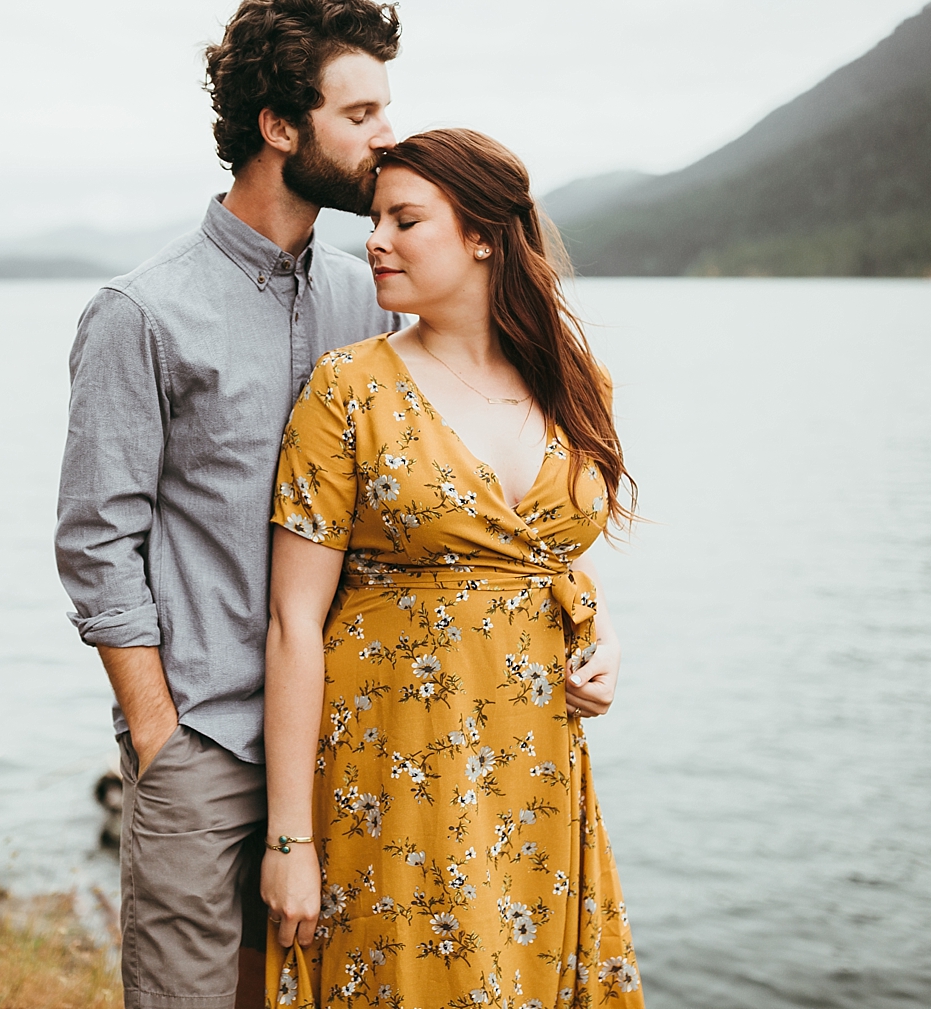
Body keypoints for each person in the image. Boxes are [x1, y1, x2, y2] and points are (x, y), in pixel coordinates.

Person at [54, 3, 404, 1008]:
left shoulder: (375, 301)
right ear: (280, 128)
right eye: (362, 110)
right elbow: (96, 543)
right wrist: (157, 735)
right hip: (202, 745)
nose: (387, 135)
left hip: (349, 735)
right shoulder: (141, 312)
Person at [260, 128, 646, 1007]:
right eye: (374, 219)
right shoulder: (346, 388)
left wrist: (606, 636)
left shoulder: (577, 381)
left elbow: (538, 558)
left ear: (482, 233)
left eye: (405, 219)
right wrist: (290, 840)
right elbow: (292, 624)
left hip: (535, 761)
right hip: (390, 764)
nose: (375, 239)